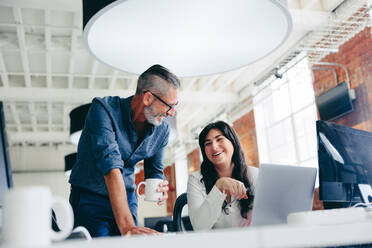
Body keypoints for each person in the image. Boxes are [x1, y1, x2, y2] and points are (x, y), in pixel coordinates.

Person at [69, 64, 180, 237]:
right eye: (169, 106)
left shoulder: (162, 129)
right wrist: (128, 227)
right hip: (90, 198)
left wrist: (159, 186)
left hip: (127, 199)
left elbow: (155, 170)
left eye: (175, 105)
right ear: (148, 98)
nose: (172, 113)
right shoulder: (103, 110)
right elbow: (111, 167)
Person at [187, 121, 257, 230]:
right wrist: (219, 187)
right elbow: (199, 227)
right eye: (208, 143)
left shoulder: (254, 175)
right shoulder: (196, 179)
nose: (214, 147)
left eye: (219, 139)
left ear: (232, 141)